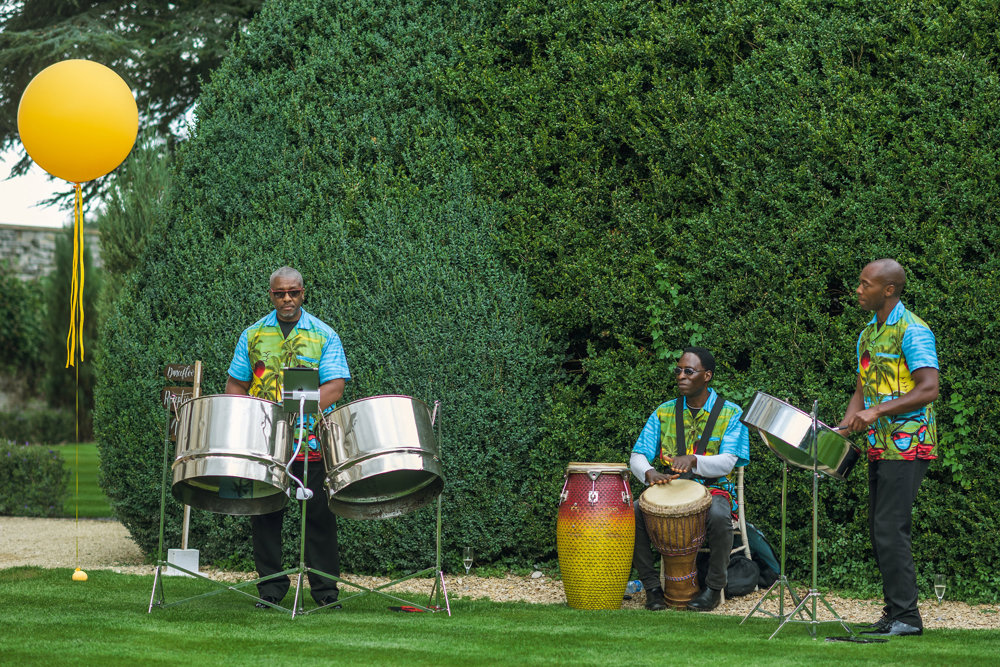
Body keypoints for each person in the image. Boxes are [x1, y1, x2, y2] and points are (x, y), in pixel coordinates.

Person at [225, 266, 351, 609]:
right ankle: (270, 591)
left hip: (310, 441)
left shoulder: (324, 334)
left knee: (319, 519)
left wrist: (299, 409)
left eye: (293, 292)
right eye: (280, 293)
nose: (287, 299)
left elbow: (336, 385)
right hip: (265, 443)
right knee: (264, 515)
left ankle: (326, 594)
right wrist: (248, 413)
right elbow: (236, 383)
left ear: (303, 293)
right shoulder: (252, 335)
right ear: (271, 295)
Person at [840, 259, 938, 637]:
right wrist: (846, 427)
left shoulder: (913, 330)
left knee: (890, 527)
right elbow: (864, 389)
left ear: (889, 290)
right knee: (880, 528)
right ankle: (894, 612)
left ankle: (907, 618)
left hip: (909, 442)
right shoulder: (868, 334)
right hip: (879, 445)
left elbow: (929, 388)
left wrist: (877, 411)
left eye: (865, 284)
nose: (858, 290)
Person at [629, 346, 750, 611]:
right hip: (671, 488)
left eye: (688, 371)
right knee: (634, 511)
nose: (681, 376)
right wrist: (649, 473)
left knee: (720, 516)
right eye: (678, 370)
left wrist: (695, 459)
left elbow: (729, 460)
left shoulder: (731, 413)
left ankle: (713, 589)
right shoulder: (663, 412)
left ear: (706, 376)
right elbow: (637, 455)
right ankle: (652, 588)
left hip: (715, 489)